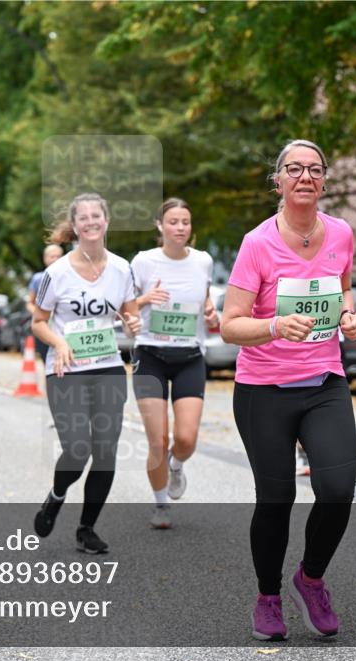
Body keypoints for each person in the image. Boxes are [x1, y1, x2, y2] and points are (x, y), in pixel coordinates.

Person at [221, 139, 356, 641]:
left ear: (324, 181)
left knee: (338, 491)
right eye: (294, 169)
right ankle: (268, 597)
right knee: (276, 499)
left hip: (324, 382)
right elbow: (230, 326)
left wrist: (348, 315)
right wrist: (276, 327)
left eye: (315, 169)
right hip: (263, 389)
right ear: (278, 181)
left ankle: (312, 577)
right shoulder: (257, 243)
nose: (305, 176)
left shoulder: (341, 233)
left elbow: (343, 284)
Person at [31, 192, 141, 554]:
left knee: (106, 451)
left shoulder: (122, 269)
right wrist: (60, 344)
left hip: (107, 367)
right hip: (66, 370)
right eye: (84, 217)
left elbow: (128, 314)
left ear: (106, 221)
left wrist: (134, 322)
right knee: (77, 448)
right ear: (75, 225)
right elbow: (38, 323)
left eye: (97, 215)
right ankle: (57, 494)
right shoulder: (56, 273)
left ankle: (86, 528)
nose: (91, 221)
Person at [130, 198, 218, 529]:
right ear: (160, 226)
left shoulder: (204, 261)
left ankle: (176, 465)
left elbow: (205, 300)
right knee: (158, 439)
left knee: (186, 437)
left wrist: (210, 311)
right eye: (173, 222)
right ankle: (162, 503)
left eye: (185, 222)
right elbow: (122, 308)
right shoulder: (143, 262)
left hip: (189, 356)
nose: (180, 227)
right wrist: (144, 300)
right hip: (150, 355)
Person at [27, 244, 65, 362]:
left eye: (58, 256)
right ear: (45, 259)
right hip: (45, 327)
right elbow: (29, 303)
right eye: (52, 256)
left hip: (63, 328)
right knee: (48, 360)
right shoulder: (39, 278)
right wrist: (41, 314)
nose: (55, 259)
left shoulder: (68, 277)